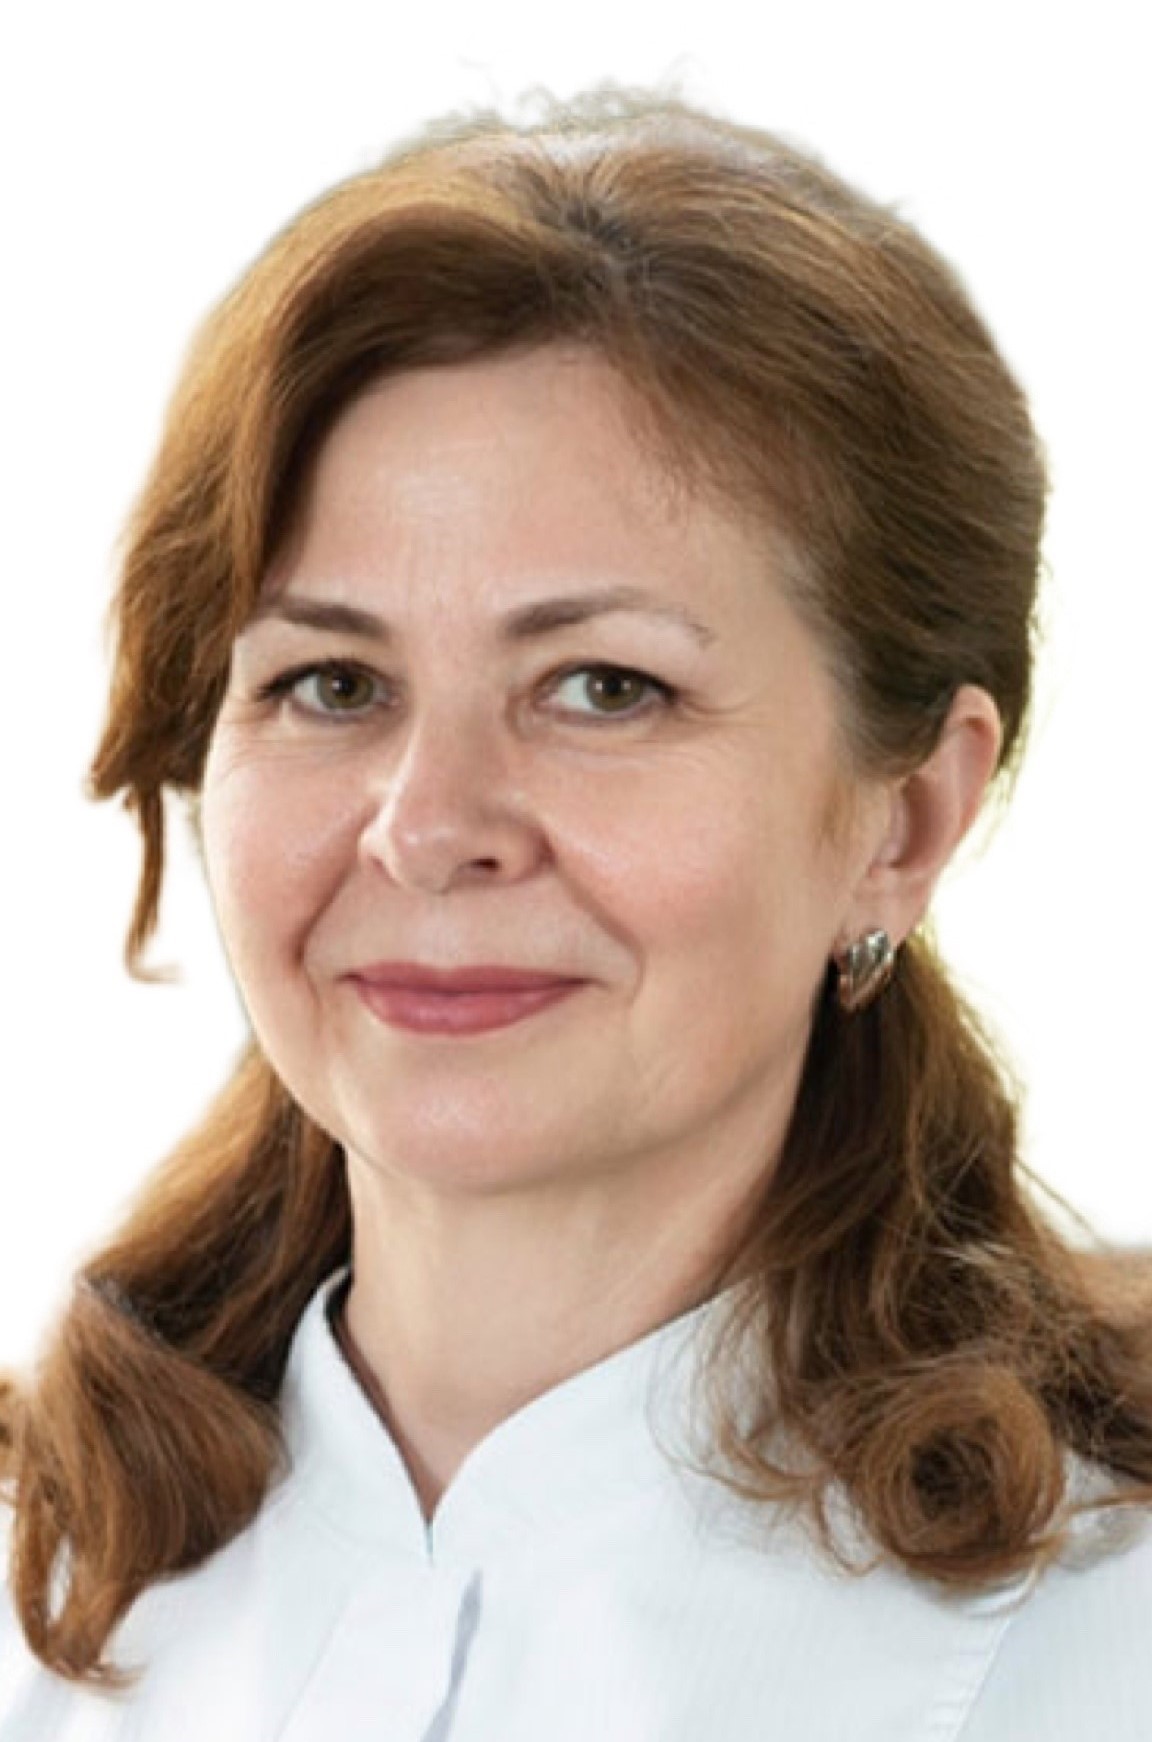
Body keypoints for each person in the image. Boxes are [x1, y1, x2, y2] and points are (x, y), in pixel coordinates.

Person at [2, 82, 1151, 1740]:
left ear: (905, 818)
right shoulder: (39, 1584)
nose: (429, 827)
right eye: (332, 682)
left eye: (605, 686)